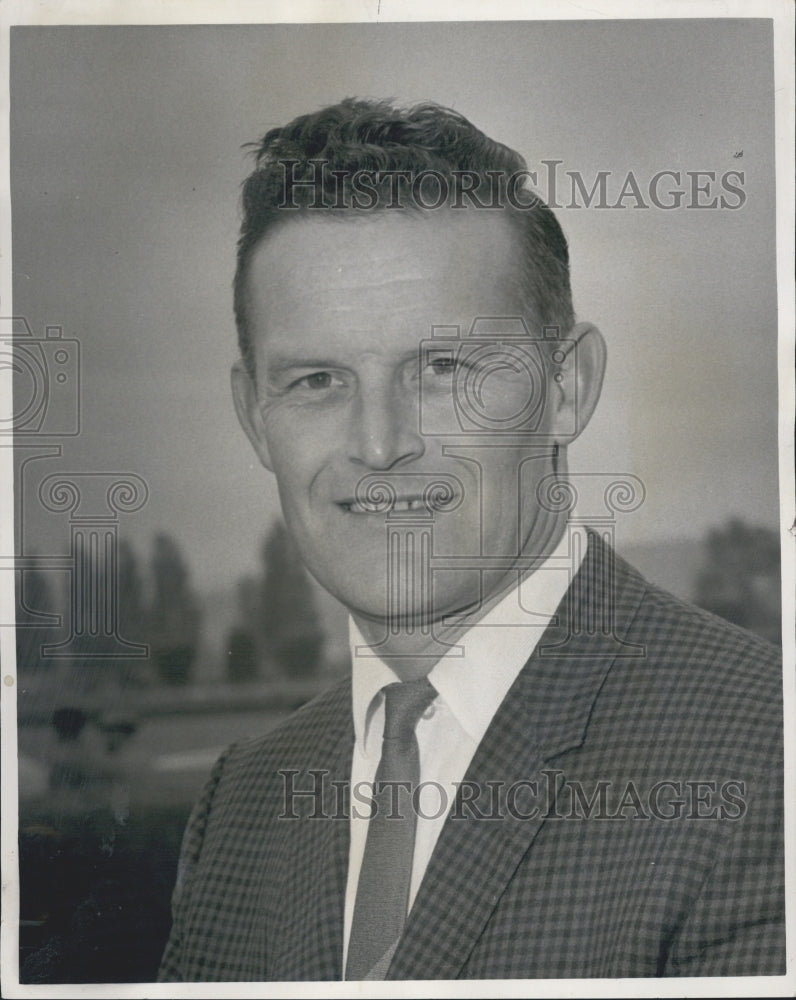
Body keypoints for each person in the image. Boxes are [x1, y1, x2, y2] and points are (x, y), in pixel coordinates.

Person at [158, 99, 784, 981]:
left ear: (567, 389)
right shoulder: (242, 801)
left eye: (444, 368)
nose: (378, 444)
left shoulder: (766, 755)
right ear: (254, 417)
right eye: (317, 379)